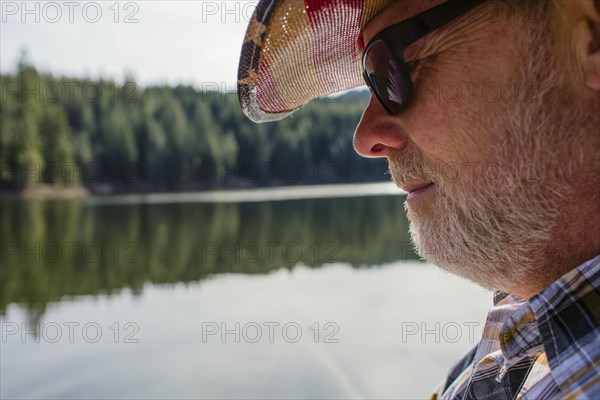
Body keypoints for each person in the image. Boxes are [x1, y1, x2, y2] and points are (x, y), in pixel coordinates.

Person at [237, 0, 600, 398]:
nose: (365, 137)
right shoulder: (525, 334)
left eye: (398, 66)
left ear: (591, 41)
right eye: (373, 81)